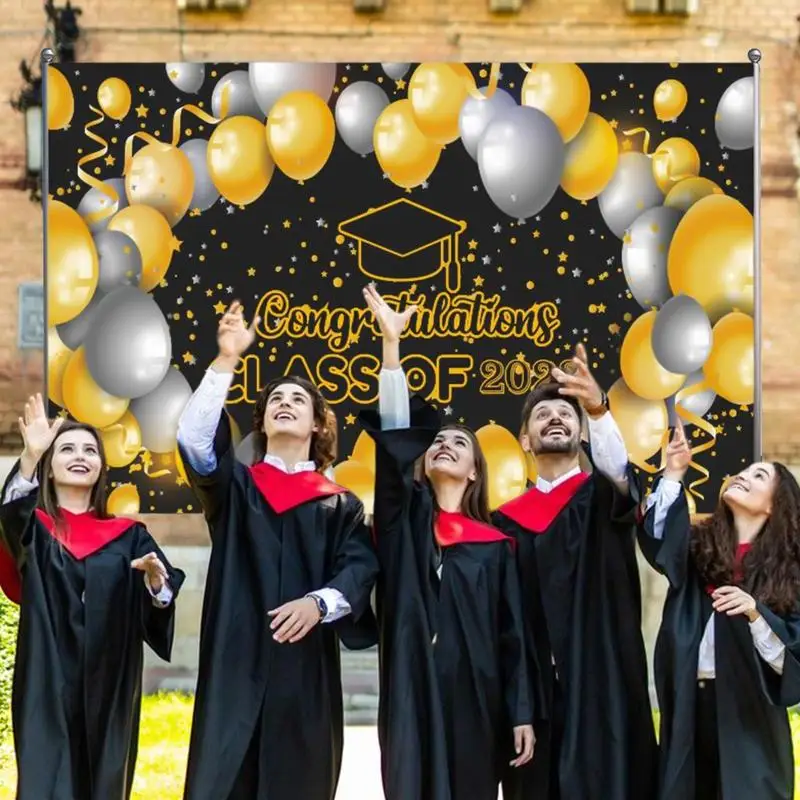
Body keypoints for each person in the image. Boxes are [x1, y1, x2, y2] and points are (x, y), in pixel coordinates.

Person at [177, 301, 379, 800]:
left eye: (298, 400)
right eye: (275, 400)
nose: (284, 402)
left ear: (317, 425)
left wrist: (319, 603)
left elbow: (359, 566)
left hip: (304, 672)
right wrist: (225, 360)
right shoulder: (237, 490)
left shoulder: (340, 505)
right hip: (235, 659)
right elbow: (195, 441)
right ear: (263, 423)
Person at [358, 284, 534, 800]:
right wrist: (392, 350)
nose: (445, 445)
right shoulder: (402, 523)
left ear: (476, 471)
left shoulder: (495, 545)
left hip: (478, 699)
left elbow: (513, 638)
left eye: (459, 443)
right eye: (437, 440)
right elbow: (392, 446)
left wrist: (520, 710)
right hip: (412, 689)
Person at [0, 394, 184, 800]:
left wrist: (156, 586)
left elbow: (163, 595)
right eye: (66, 449)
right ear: (49, 469)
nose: (80, 456)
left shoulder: (129, 534)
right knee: (46, 775)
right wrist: (30, 454)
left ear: (101, 467)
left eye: (90, 450)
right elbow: (12, 515)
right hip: (47, 677)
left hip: (112, 678)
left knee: (105, 776)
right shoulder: (37, 530)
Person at [493, 355, 658, 800]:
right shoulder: (503, 523)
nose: (555, 419)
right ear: (525, 441)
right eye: (542, 415)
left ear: (582, 434)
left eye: (566, 414)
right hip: (535, 690)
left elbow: (620, 474)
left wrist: (599, 410)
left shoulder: (601, 498)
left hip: (602, 678)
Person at [638, 422, 800, 800]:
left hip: (749, 718)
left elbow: (792, 661)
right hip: (688, 709)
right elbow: (660, 541)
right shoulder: (700, 550)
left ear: (775, 504)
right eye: (741, 472)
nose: (741, 477)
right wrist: (674, 473)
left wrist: (757, 615)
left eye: (757, 475)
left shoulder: (790, 574)